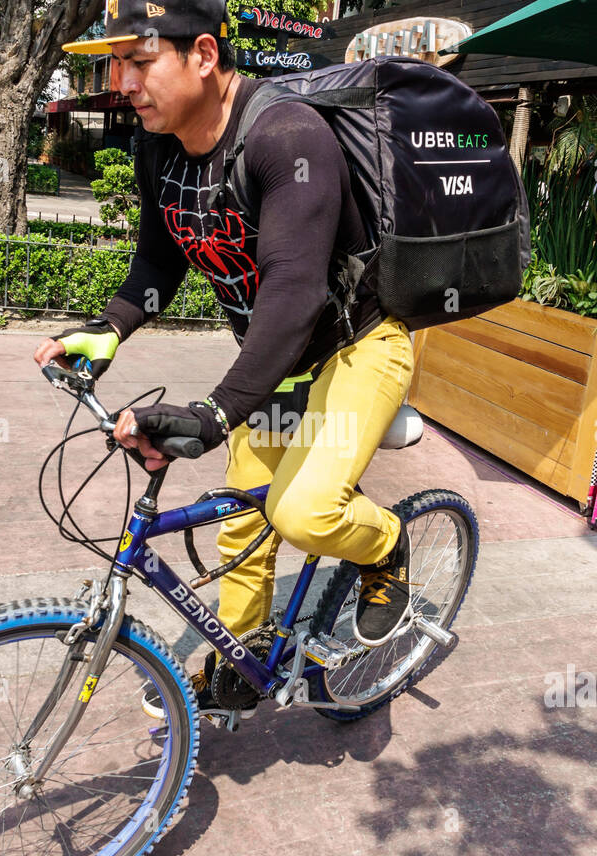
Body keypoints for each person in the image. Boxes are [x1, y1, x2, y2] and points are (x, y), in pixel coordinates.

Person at [33, 0, 414, 709]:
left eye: (141, 62)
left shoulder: (289, 138)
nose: (124, 82)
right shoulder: (161, 143)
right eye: (117, 64)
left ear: (203, 55)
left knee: (304, 514)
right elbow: (159, 257)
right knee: (243, 518)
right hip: (275, 357)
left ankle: (385, 544)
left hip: (355, 346)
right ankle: (241, 661)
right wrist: (111, 326)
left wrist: (214, 415)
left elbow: (295, 295)